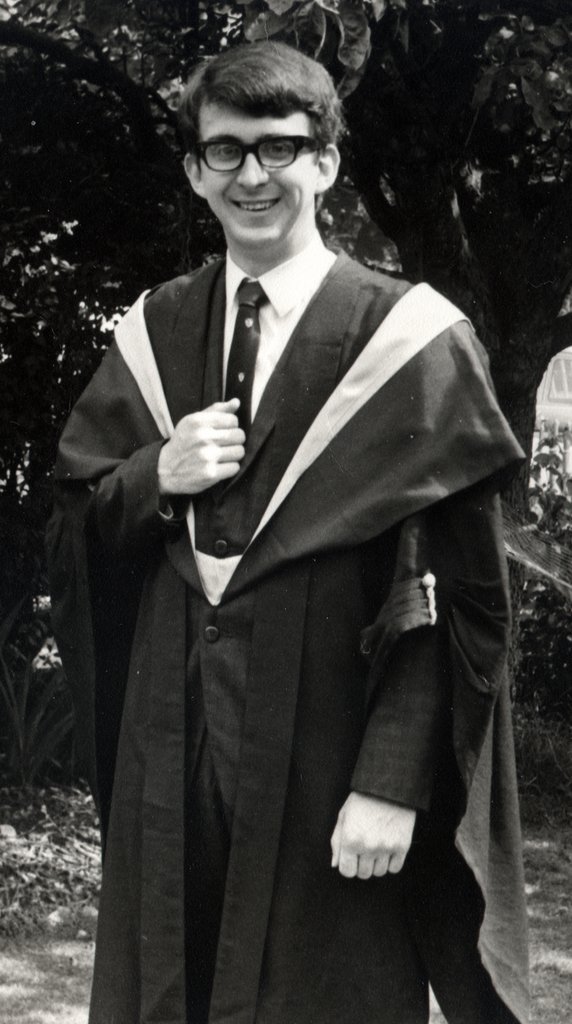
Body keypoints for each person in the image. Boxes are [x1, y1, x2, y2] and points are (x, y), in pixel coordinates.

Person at [47, 40, 529, 1024]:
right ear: (195, 171)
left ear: (326, 162)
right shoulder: (155, 329)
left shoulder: (412, 340)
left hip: (327, 752)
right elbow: (77, 530)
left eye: (279, 147)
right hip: (171, 750)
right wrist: (153, 475)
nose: (252, 176)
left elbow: (458, 593)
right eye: (224, 151)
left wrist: (393, 780)